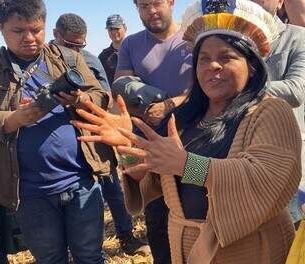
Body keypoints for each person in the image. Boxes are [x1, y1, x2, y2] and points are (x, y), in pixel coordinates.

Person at [72, 0, 302, 263]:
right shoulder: (186, 118)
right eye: (203, 59)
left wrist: (187, 164)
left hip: (249, 251)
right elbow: (164, 178)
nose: (212, 66)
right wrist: (130, 153)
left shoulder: (270, 111)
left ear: (252, 66)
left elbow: (264, 179)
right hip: (186, 248)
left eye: (226, 57)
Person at [0, 0, 113, 263]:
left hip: (81, 182)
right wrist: (12, 119)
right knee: (50, 259)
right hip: (30, 194)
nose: (30, 39)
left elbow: (101, 97)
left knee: (90, 256)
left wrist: (78, 100)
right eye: (18, 31)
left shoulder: (68, 58)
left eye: (36, 30)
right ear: (0, 27)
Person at [53, 13, 148, 255]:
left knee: (112, 188)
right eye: (69, 45)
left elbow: (106, 97)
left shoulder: (91, 61)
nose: (75, 51)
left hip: (97, 135)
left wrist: (83, 100)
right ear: (56, 35)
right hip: (64, 146)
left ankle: (126, 235)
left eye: (79, 45)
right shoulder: (43, 63)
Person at [110, 1, 192, 262]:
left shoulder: (192, 38)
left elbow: (203, 90)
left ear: (171, 2)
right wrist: (142, 104)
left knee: (195, 217)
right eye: (143, 6)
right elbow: (122, 87)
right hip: (150, 155)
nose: (151, 11)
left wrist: (168, 104)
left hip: (192, 148)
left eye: (156, 3)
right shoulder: (131, 44)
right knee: (158, 223)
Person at [251, 0, 305, 229]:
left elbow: (296, 90)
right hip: (243, 152)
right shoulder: (228, 37)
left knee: (291, 226)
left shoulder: (297, 37)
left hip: (286, 152)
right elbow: (207, 174)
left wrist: (242, 87)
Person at [98, 14, 127, 86]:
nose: (114, 32)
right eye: (110, 29)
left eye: (117, 28)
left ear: (125, 29)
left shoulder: (135, 50)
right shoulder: (103, 56)